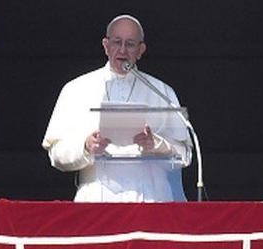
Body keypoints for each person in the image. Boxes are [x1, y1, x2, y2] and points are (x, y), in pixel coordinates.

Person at [42, 14, 191, 202]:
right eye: (116, 42)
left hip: (152, 200)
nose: (122, 50)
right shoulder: (76, 89)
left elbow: (185, 154)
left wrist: (156, 144)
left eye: (130, 44)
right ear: (105, 46)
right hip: (97, 201)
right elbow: (56, 154)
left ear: (140, 50)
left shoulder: (162, 92)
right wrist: (86, 147)